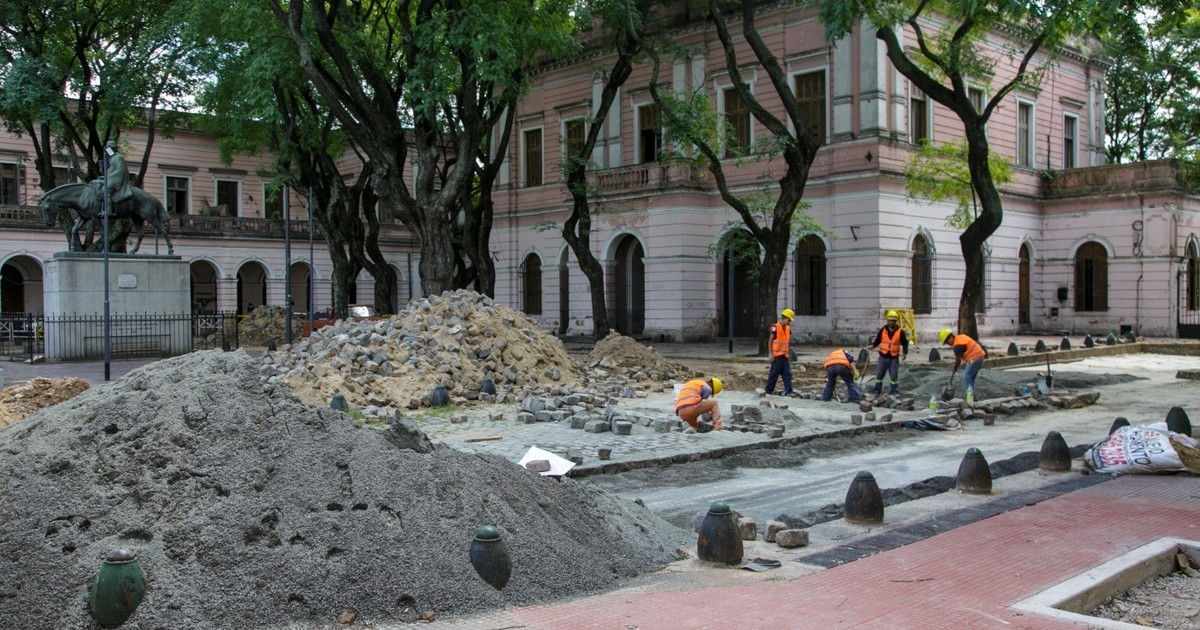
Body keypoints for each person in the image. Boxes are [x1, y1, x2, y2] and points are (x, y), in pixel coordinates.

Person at [939, 329, 987, 407]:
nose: (948, 344)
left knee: (966, 378)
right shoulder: (961, 337)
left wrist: (955, 368)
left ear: (950, 337)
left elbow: (958, 359)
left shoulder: (957, 345)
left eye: (947, 342)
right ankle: (973, 398)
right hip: (979, 358)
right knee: (970, 379)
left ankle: (972, 400)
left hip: (975, 359)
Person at [868, 310, 909, 397]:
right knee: (879, 375)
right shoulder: (883, 330)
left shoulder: (900, 331)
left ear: (896, 321)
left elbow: (905, 342)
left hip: (894, 357)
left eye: (893, 321)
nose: (891, 322)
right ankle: (877, 391)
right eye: (890, 320)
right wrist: (873, 345)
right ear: (887, 321)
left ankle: (894, 392)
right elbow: (878, 339)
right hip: (883, 356)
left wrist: (905, 352)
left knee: (894, 376)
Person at [94, 140, 132, 216]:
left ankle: (109, 211)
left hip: (117, 179)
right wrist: (104, 177)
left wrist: (108, 177)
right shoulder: (112, 158)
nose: (108, 151)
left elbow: (120, 170)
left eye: (110, 149)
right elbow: (111, 171)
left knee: (106, 190)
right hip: (112, 178)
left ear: (114, 148)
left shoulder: (119, 158)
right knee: (96, 183)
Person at [763, 308, 795, 396]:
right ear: (784, 318)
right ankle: (768, 391)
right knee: (773, 374)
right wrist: (770, 353)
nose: (789, 322)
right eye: (789, 320)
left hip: (785, 356)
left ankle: (789, 391)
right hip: (777, 357)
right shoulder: (775, 327)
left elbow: (786, 341)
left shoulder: (788, 329)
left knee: (787, 375)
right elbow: (770, 340)